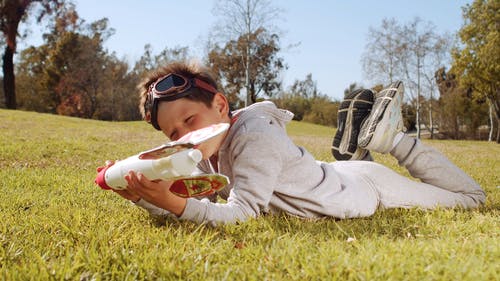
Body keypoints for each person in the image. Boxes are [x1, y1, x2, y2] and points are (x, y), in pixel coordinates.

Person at [111, 61, 485, 226]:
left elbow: (241, 215)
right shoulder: (204, 150)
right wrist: (149, 196)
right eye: (173, 133)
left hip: (364, 189)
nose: (184, 137)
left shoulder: (255, 136)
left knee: (472, 200)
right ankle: (360, 143)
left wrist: (171, 204)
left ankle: (393, 138)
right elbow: (194, 202)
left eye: (190, 121)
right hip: (333, 173)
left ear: (221, 105)